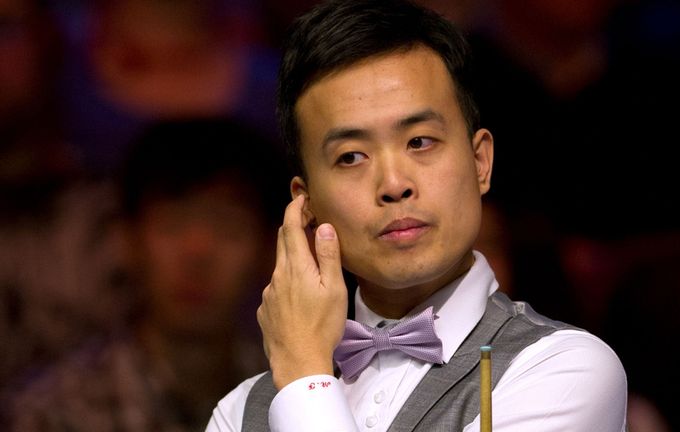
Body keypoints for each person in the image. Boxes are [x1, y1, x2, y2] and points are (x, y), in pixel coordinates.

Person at [206, 1, 627, 431]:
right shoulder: (241, 411)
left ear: (480, 163)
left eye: (420, 142)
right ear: (306, 204)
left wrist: (305, 381)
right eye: (351, 156)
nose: (393, 183)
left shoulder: (564, 369)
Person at [4, 119, 282, 431]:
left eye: (228, 227)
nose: (198, 254)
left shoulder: (294, 397)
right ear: (127, 240)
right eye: (173, 224)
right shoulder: (50, 414)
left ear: (268, 249)